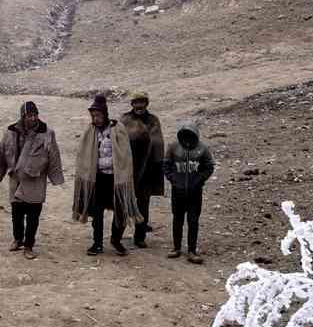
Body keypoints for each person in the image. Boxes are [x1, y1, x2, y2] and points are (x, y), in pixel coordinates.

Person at [0, 100, 65, 259]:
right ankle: (18, 239)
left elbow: (54, 156)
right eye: (29, 115)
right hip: (16, 178)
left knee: (33, 215)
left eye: (35, 115)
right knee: (16, 212)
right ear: (23, 116)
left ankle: (29, 245)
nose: (33, 118)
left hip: (35, 179)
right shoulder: (10, 132)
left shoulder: (47, 133)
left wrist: (56, 178)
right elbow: (2, 152)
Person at [71, 95, 142, 256]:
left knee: (120, 210)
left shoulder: (118, 129)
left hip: (116, 179)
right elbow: (84, 153)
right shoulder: (90, 131)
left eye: (98, 115)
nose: (95, 118)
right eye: (93, 115)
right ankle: (97, 243)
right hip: (98, 178)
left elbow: (125, 154)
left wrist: (124, 174)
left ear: (105, 113)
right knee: (97, 213)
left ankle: (116, 240)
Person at [118, 91, 165, 249]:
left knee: (143, 203)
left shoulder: (153, 120)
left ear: (146, 103)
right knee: (124, 202)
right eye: (135, 102)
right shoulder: (125, 120)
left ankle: (140, 236)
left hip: (147, 169)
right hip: (129, 169)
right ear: (132, 104)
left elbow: (157, 143)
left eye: (141, 102)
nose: (138, 105)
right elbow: (119, 142)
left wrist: (157, 166)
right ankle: (117, 236)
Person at [163, 121, 215, 264]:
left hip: (195, 192)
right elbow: (166, 164)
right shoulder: (173, 147)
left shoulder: (202, 149)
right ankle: (176, 248)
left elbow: (209, 167)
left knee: (193, 221)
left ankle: (192, 250)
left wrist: (200, 180)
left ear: (195, 136)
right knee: (177, 219)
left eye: (190, 136)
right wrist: (173, 180)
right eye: (184, 135)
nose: (187, 139)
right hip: (177, 191)